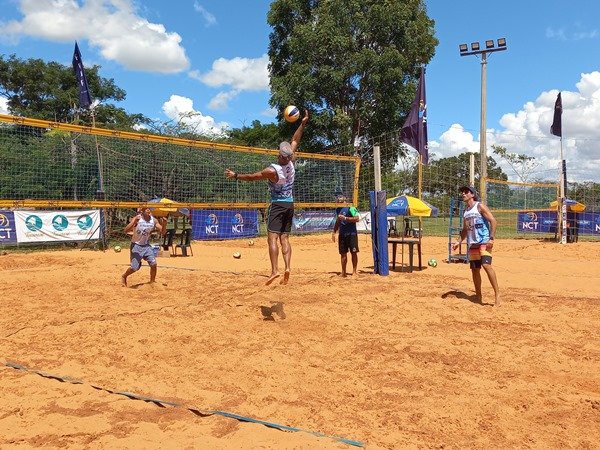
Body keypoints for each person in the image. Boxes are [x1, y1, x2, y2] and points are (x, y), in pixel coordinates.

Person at [225, 110, 309, 285]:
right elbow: (295, 140)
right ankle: (287, 267)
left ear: (280, 155)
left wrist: (235, 175)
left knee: (272, 238)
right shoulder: (291, 163)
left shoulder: (272, 171)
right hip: (290, 204)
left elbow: (252, 177)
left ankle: (274, 271)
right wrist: (302, 124)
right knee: (285, 238)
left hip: (278, 205)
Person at [452, 186, 500, 306]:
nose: (463, 194)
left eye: (466, 192)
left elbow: (493, 221)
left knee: (486, 265)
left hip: (484, 241)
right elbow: (465, 229)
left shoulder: (479, 206)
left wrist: (491, 238)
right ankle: (478, 295)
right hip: (473, 243)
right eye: (462, 192)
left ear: (472, 194)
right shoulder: (466, 211)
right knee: (475, 270)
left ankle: (497, 295)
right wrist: (459, 241)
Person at [121, 207, 167, 287]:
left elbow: (163, 232)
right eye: (146, 209)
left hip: (146, 246)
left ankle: (152, 282)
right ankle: (124, 276)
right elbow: (126, 230)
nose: (148, 210)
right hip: (136, 245)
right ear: (142, 211)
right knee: (135, 268)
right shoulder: (137, 218)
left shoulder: (154, 220)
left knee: (153, 264)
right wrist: (134, 222)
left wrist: (164, 224)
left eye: (149, 208)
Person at [332, 193, 360, 277]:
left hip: (351, 233)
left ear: (345, 198)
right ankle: (343, 273)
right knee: (343, 253)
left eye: (340, 196)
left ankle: (354, 272)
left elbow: (357, 218)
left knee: (353, 252)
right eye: (337, 196)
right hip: (342, 234)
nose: (338, 198)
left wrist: (346, 218)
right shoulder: (338, 209)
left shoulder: (351, 206)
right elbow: (338, 221)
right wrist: (334, 232)